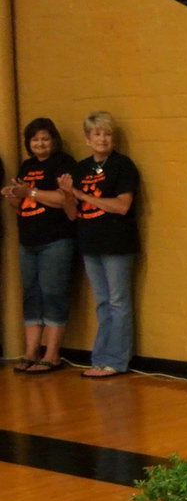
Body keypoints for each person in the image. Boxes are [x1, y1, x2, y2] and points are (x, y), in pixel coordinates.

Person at [59, 111, 140, 379]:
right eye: (97, 134)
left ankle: (117, 361)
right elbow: (72, 213)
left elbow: (121, 205)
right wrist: (68, 194)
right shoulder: (81, 169)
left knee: (118, 301)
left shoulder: (122, 165)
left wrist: (82, 194)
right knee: (102, 303)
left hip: (116, 242)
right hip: (89, 241)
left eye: (107, 134)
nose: (102, 139)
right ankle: (100, 358)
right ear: (88, 138)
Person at [1, 117, 76, 372]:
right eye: (35, 139)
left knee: (53, 294)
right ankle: (31, 351)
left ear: (53, 140)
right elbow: (20, 206)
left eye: (45, 138)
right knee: (31, 296)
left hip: (55, 239)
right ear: (28, 143)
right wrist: (12, 195)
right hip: (28, 241)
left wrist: (30, 193)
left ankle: (52, 353)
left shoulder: (63, 163)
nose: (40, 143)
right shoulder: (26, 165)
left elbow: (63, 199)